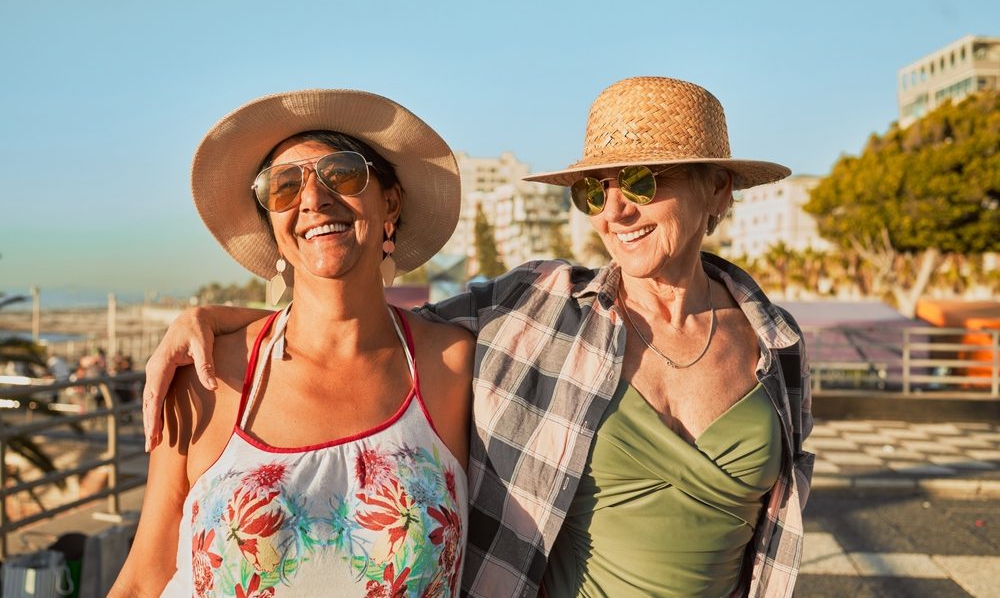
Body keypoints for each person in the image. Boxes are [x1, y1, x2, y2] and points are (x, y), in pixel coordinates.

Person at [141, 77, 814, 597]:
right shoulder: (535, 311)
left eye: (641, 180)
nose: (616, 209)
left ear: (718, 189)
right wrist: (219, 320)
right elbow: (350, 317)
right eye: (594, 190)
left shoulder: (776, 345)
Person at [111, 89, 474, 596]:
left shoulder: (453, 367)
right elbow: (145, 578)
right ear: (273, 224)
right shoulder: (204, 378)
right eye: (283, 187)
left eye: (342, 174)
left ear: (390, 201)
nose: (312, 199)